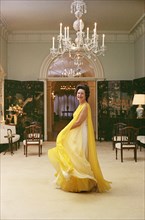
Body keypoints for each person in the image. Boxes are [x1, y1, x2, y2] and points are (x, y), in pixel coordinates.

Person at [48, 84, 111, 193]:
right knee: (71, 152)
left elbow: (79, 122)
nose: (79, 95)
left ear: (86, 95)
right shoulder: (80, 105)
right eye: (78, 93)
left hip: (82, 133)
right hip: (76, 132)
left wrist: (66, 129)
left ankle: (85, 183)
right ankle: (73, 178)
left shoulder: (86, 106)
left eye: (82, 93)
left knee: (80, 154)